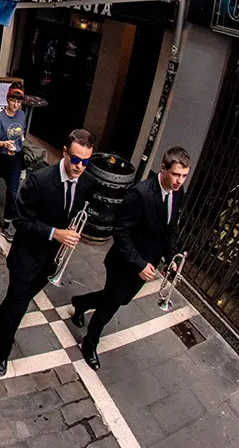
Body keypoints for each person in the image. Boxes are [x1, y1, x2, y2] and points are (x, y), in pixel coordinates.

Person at [69, 147, 190, 371]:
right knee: (112, 303)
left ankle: (81, 302)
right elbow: (120, 232)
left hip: (148, 262)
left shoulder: (178, 194)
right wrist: (140, 264)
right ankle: (90, 342)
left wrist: (172, 257)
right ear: (163, 169)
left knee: (116, 299)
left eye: (183, 176)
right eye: (175, 174)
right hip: (125, 262)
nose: (179, 181)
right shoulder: (140, 194)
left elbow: (169, 231)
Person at [0, 129, 96, 377]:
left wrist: (72, 232)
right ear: (66, 152)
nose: (80, 167)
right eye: (76, 160)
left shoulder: (87, 182)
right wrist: (55, 233)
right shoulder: (40, 180)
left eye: (86, 161)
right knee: (18, 306)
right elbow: (20, 220)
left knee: (22, 298)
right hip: (26, 256)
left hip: (51, 260)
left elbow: (77, 214)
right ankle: (3, 354)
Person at [0, 85, 27, 239]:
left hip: (15, 158)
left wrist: (21, 142)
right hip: (0, 157)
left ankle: (7, 225)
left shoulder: (22, 115)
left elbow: (22, 133)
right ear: (7, 100)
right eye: (13, 101)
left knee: (13, 192)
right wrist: (1, 144)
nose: (16, 104)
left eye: (19, 102)